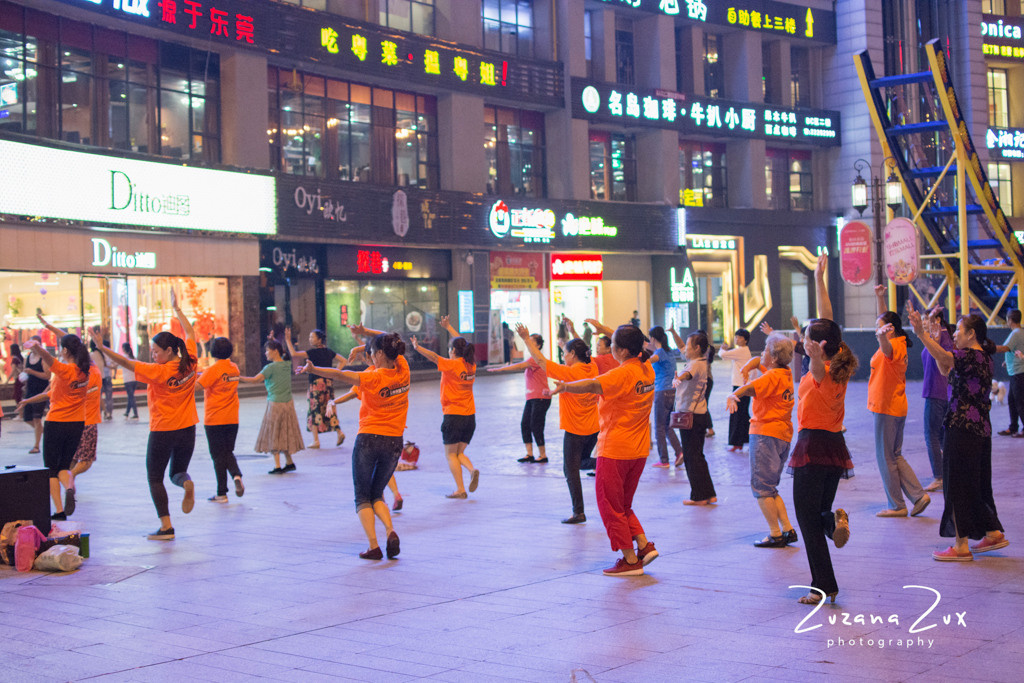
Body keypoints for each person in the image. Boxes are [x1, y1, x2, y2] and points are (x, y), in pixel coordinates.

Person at [91, 290, 199, 541]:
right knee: (177, 473)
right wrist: (177, 309)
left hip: (163, 430)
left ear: (170, 350)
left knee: (154, 477)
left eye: (156, 351)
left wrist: (102, 348)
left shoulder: (159, 372)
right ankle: (186, 484)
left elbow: (128, 364)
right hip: (188, 429)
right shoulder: (190, 361)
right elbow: (190, 334)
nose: (153, 355)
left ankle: (166, 526)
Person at [551, 325, 657, 576]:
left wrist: (565, 387)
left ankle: (630, 561)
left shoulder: (623, 374)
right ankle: (643, 546)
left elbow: (591, 385)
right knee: (624, 504)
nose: (608, 348)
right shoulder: (647, 369)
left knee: (610, 505)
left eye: (612, 344)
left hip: (615, 450)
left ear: (620, 350)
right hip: (639, 450)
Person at [300, 326, 409, 560]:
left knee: (362, 496)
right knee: (377, 492)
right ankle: (390, 531)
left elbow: (339, 375)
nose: (370, 354)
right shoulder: (403, 369)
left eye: (372, 351)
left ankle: (373, 545)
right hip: (394, 441)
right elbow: (391, 338)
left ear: (379, 354)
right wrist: (364, 342)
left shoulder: (372, 377)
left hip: (369, 438)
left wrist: (314, 369)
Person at [908, 309, 1009, 561]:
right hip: (979, 430)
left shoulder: (970, 355)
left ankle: (961, 545)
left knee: (957, 484)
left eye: (958, 332)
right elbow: (945, 369)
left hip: (962, 427)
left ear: (972, 334)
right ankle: (992, 531)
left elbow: (944, 357)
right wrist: (935, 336)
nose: (954, 335)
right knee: (975, 483)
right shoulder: (983, 357)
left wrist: (921, 334)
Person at [788, 254, 858, 605]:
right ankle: (833, 520)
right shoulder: (840, 360)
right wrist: (818, 278)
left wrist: (812, 354)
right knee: (815, 514)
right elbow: (827, 320)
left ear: (819, 347)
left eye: (807, 338)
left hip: (813, 447)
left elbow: (816, 366)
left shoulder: (823, 370)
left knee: (805, 518)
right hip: (834, 447)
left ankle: (822, 584)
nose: (802, 339)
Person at [518, 324, 599, 524]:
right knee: (582, 462)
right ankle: (603, 463)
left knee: (570, 469)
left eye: (565, 353)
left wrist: (526, 339)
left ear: (573, 353)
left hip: (575, 429)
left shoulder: (569, 372)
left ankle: (578, 512)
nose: (563, 357)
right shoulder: (593, 366)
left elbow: (540, 361)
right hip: (594, 427)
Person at [727, 333, 796, 548]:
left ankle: (775, 534)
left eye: (766, 350)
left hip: (765, 434)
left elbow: (750, 388)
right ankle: (787, 529)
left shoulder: (770, 377)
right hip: (782, 434)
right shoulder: (784, 373)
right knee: (770, 487)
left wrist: (734, 395)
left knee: (761, 488)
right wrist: (748, 367)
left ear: (774, 357)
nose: (762, 353)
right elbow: (758, 362)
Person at [15, 330, 91, 521]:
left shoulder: (66, 370)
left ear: (65, 350)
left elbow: (49, 359)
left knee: (50, 469)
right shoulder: (84, 372)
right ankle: (69, 487)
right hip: (76, 423)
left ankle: (58, 511)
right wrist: (28, 401)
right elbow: (52, 394)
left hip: (56, 422)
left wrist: (37, 348)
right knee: (64, 465)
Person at [869, 285, 929, 518]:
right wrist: (880, 298)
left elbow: (885, 345)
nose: (877, 329)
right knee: (895, 454)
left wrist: (882, 335)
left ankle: (897, 505)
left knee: (886, 457)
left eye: (880, 327)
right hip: (897, 406)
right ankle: (918, 495)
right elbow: (885, 325)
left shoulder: (891, 345)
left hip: (885, 408)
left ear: (889, 330)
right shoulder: (900, 341)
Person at [411, 315, 480, 499]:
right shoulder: (471, 365)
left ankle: (460, 489)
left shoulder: (452, 365)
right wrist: (449, 327)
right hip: (470, 417)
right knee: (459, 453)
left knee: (450, 455)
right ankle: (471, 469)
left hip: (453, 416)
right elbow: (462, 343)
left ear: (453, 351)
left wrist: (418, 348)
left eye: (450, 349)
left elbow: (434, 357)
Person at [240, 340, 304, 474]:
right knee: (285, 432)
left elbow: (255, 380)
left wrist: (238, 377)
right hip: (288, 404)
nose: (265, 353)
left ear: (275, 351)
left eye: (268, 350)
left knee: (274, 432)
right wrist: (276, 339)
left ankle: (277, 465)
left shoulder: (270, 368)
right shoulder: (287, 365)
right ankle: (289, 462)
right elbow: (285, 354)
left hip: (275, 403)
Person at [487, 337, 551, 463]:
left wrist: (500, 369)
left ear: (538, 346)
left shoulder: (537, 358)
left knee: (536, 425)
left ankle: (543, 455)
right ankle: (529, 454)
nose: (529, 343)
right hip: (532, 397)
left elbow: (519, 366)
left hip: (541, 397)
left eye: (531, 341)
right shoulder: (532, 358)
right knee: (525, 424)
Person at [672, 330, 717, 505]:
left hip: (690, 417)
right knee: (698, 456)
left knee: (691, 457)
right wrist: (673, 332)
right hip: (699, 415)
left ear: (697, 348)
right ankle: (709, 494)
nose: (686, 349)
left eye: (689, 346)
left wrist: (678, 379)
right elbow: (682, 348)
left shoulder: (694, 365)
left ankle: (699, 497)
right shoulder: (699, 361)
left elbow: (687, 375)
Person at [198, 337, 244, 503]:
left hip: (215, 419)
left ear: (212, 352)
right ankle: (236, 476)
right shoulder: (234, 368)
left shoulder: (212, 370)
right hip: (232, 418)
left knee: (218, 456)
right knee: (227, 452)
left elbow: (198, 386)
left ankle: (222, 493)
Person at [285, 327, 346, 449]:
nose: (310, 339)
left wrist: (288, 340)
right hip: (328, 384)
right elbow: (343, 361)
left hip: (316, 385)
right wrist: (334, 372)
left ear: (319, 340)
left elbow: (294, 354)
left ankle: (316, 440)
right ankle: (340, 432)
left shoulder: (312, 353)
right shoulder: (329, 351)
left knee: (314, 410)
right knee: (330, 409)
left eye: (312, 337)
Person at [919, 306, 954, 492]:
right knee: (941, 436)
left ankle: (939, 476)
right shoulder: (945, 336)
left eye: (927, 319)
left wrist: (932, 321)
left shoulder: (939, 335)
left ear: (937, 321)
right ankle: (950, 471)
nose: (925, 323)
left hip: (936, 392)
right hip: (943, 392)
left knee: (931, 435)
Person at [647, 326, 682, 468]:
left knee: (659, 427)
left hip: (662, 392)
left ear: (653, 338)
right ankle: (680, 452)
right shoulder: (669, 351)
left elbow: (651, 360)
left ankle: (664, 460)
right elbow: (648, 346)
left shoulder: (659, 352)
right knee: (668, 425)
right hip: (672, 392)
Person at [720, 329, 753, 452]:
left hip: (740, 387)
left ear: (745, 339)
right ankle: (744, 441)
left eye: (739, 337)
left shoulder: (741, 351)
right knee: (742, 415)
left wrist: (722, 349)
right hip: (743, 386)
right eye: (736, 337)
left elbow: (723, 355)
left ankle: (738, 442)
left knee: (738, 414)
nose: (737, 339)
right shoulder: (743, 351)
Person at [995, 309, 1024, 439]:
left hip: (1019, 373)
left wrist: (988, 347)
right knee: (1012, 401)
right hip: (1016, 371)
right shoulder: (1020, 332)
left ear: (1010, 320)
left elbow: (1005, 348)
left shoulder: (1016, 333)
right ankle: (1013, 427)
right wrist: (1008, 361)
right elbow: (1016, 350)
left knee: (1019, 403)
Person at [21, 334, 49, 454]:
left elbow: (47, 376)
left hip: (41, 390)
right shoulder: (28, 357)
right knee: (26, 418)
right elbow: (25, 371)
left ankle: (36, 446)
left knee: (36, 418)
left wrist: (32, 372)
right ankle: (43, 432)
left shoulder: (43, 358)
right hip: (30, 390)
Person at [90, 330, 114, 420]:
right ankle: (108, 413)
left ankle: (100, 412)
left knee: (98, 397)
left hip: (96, 379)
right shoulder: (103, 354)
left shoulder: (92, 355)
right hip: (104, 377)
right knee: (108, 397)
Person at [120, 343, 140, 420]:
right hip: (134, 379)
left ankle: (135, 414)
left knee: (131, 397)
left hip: (127, 380)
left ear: (124, 349)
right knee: (130, 396)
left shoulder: (124, 357)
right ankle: (127, 413)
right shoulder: (133, 357)